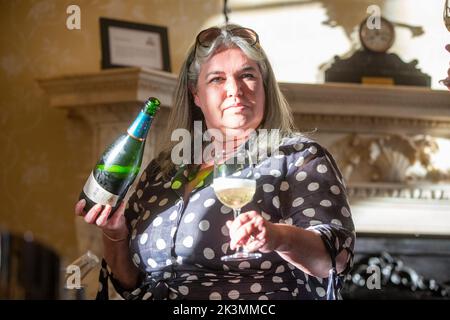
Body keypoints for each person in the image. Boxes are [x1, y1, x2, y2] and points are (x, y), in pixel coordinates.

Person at [75, 24, 355, 300]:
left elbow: (334, 259)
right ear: (195, 93)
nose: (235, 89)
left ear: (265, 86)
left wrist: (276, 237)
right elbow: (131, 284)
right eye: (217, 79)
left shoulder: (297, 157)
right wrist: (115, 232)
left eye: (247, 75)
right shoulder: (163, 169)